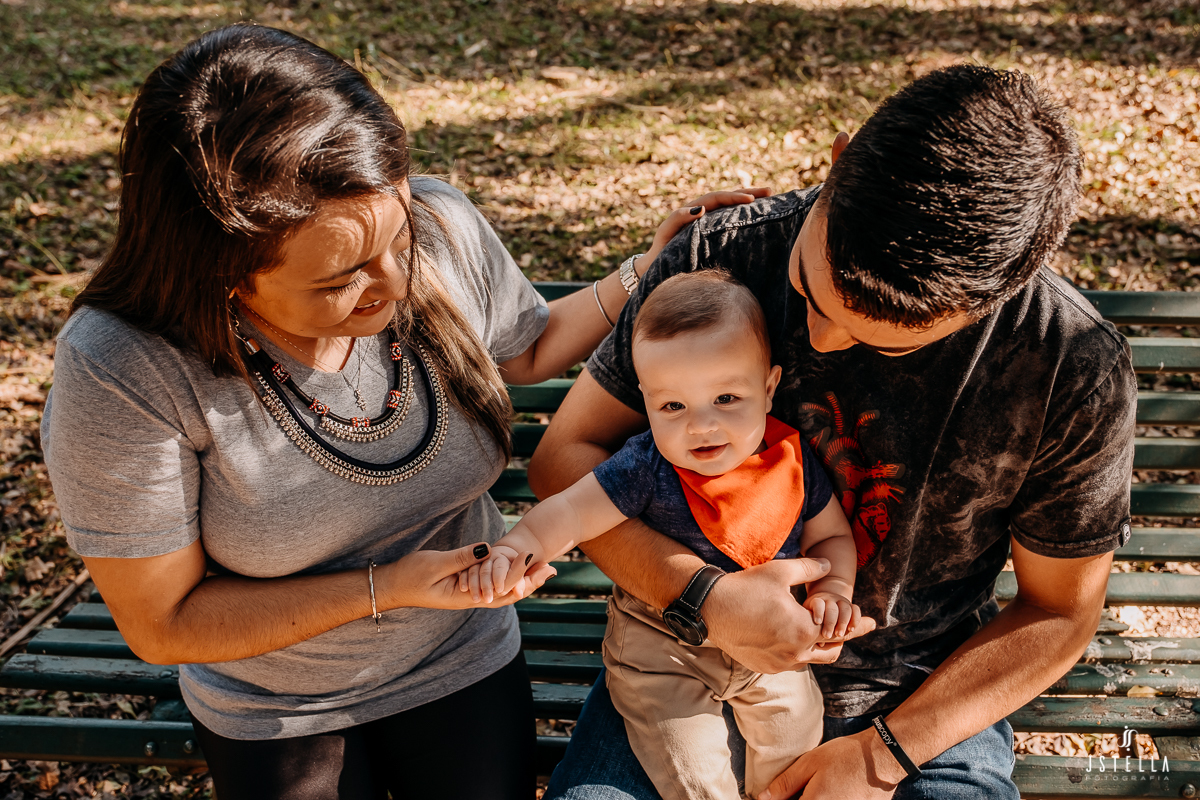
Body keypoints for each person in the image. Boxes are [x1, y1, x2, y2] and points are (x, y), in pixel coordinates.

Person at [39, 23, 761, 800]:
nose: (392, 283)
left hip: (461, 655)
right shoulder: (122, 366)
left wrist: (644, 270)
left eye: (399, 237)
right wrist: (388, 587)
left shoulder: (439, 226)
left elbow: (527, 347)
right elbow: (163, 622)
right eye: (340, 280)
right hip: (281, 708)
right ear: (224, 274)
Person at [535, 64, 1136, 800]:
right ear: (839, 160)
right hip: (680, 666)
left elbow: (1059, 610)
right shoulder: (713, 259)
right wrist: (704, 598)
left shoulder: (1068, 362)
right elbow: (566, 458)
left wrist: (879, 758)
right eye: (810, 291)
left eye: (882, 342)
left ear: (999, 296)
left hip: (917, 703)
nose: (816, 341)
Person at [462, 271, 866, 800]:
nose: (701, 425)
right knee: (691, 765)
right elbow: (570, 512)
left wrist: (832, 592)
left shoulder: (790, 461)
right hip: (662, 647)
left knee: (795, 732)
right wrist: (517, 548)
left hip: (767, 644)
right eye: (672, 405)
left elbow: (830, 538)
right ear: (647, 400)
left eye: (726, 397)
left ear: (768, 389)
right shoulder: (643, 468)